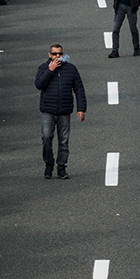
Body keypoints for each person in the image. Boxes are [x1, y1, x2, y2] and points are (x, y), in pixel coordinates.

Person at [34, 43, 86, 179]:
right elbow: (39, 84)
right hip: (48, 110)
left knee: (63, 141)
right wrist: (50, 70)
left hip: (64, 111)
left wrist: (81, 109)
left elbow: (79, 89)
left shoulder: (71, 69)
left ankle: (62, 167)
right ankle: (48, 165)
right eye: (55, 54)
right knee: (46, 137)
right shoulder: (43, 68)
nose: (58, 56)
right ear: (49, 55)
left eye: (60, 54)